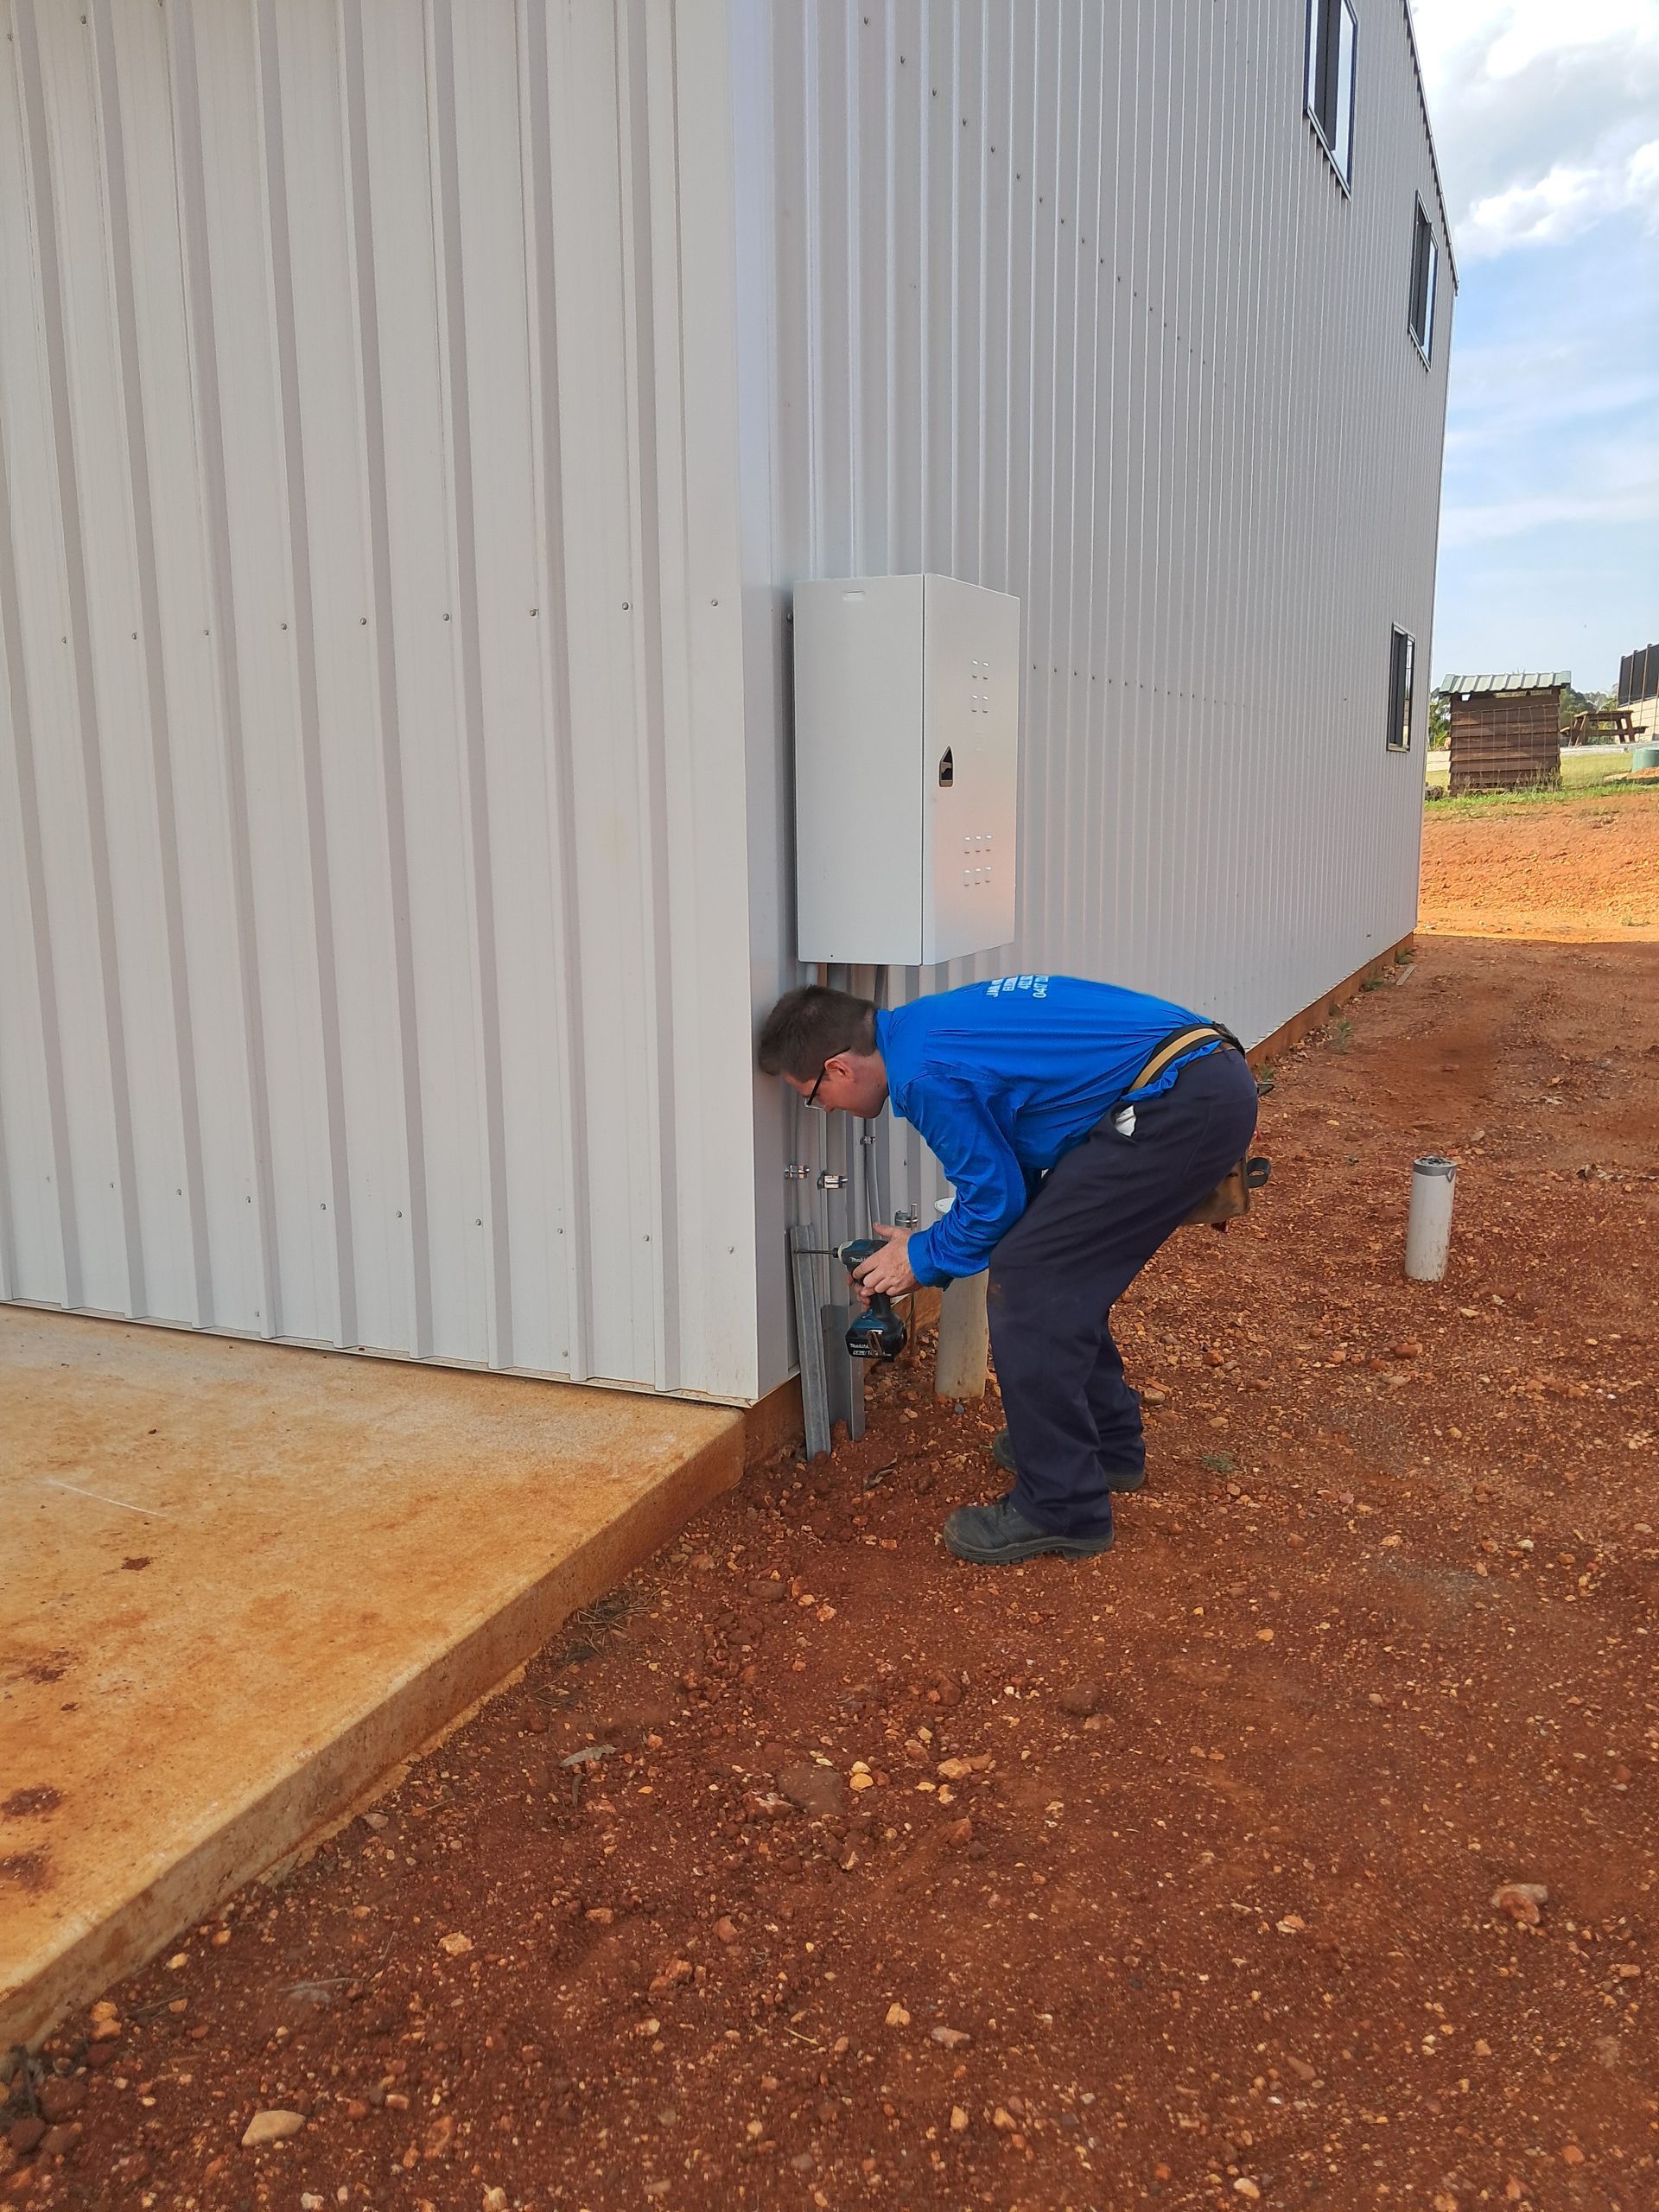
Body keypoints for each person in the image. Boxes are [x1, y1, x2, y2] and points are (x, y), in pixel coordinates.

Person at [757, 975, 1259, 1566]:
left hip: (1177, 1100)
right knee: (1053, 1271)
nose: (820, 1108)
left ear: (839, 1069)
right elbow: (1008, 1186)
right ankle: (1106, 1448)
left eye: (811, 1094)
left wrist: (920, 1259)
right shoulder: (923, 1030)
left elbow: (994, 1200)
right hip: (1191, 1083)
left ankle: (1063, 1505)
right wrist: (927, 1247)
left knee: (1030, 1281)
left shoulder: (921, 1076)